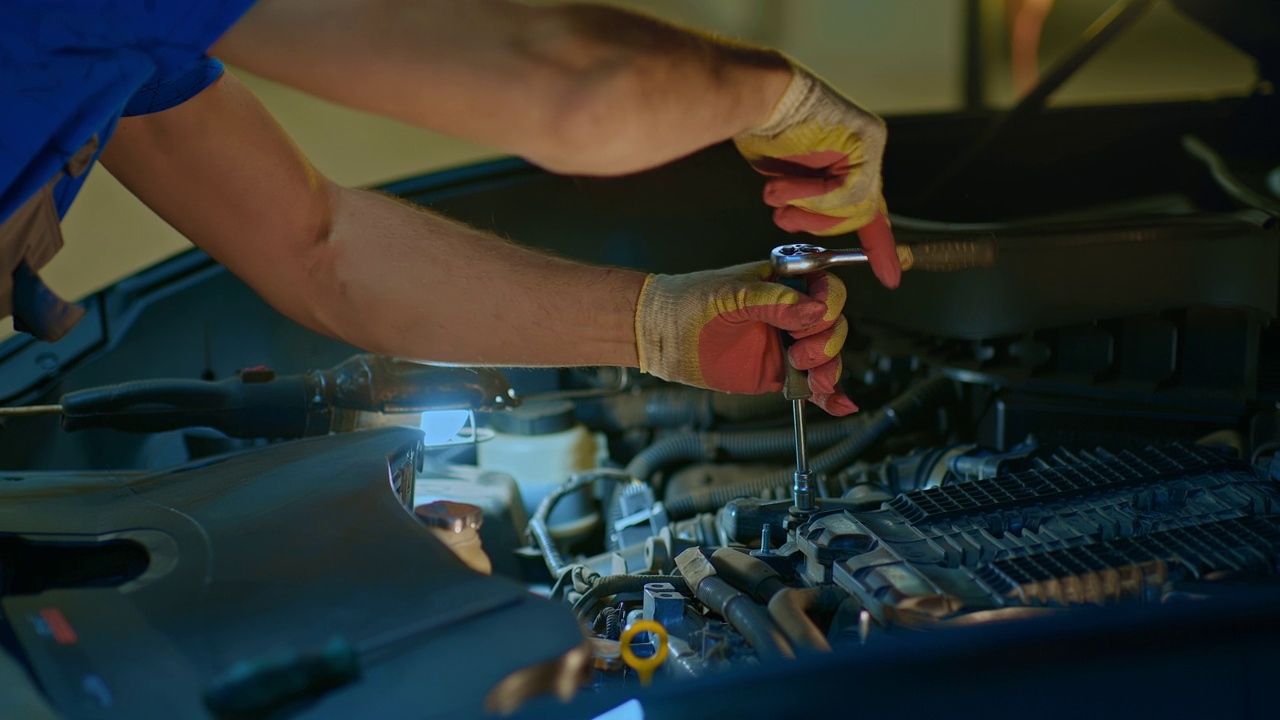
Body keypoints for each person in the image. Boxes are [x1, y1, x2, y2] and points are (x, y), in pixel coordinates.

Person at [2, 0, 900, 416]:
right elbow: (574, 90)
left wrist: (656, 324)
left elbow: (321, 250)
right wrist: (781, 100)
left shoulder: (124, 30)